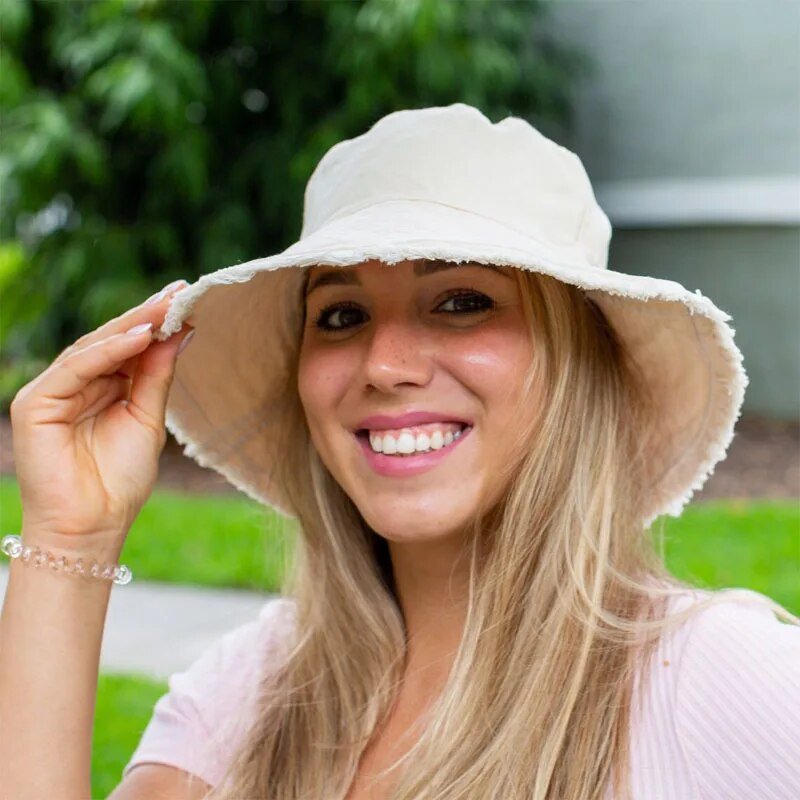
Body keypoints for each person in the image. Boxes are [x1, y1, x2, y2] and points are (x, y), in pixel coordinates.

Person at [1, 104, 798, 800]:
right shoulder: (251, 688)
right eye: (341, 315)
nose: (385, 366)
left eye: (461, 301)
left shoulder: (715, 679)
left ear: (578, 365)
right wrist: (73, 538)